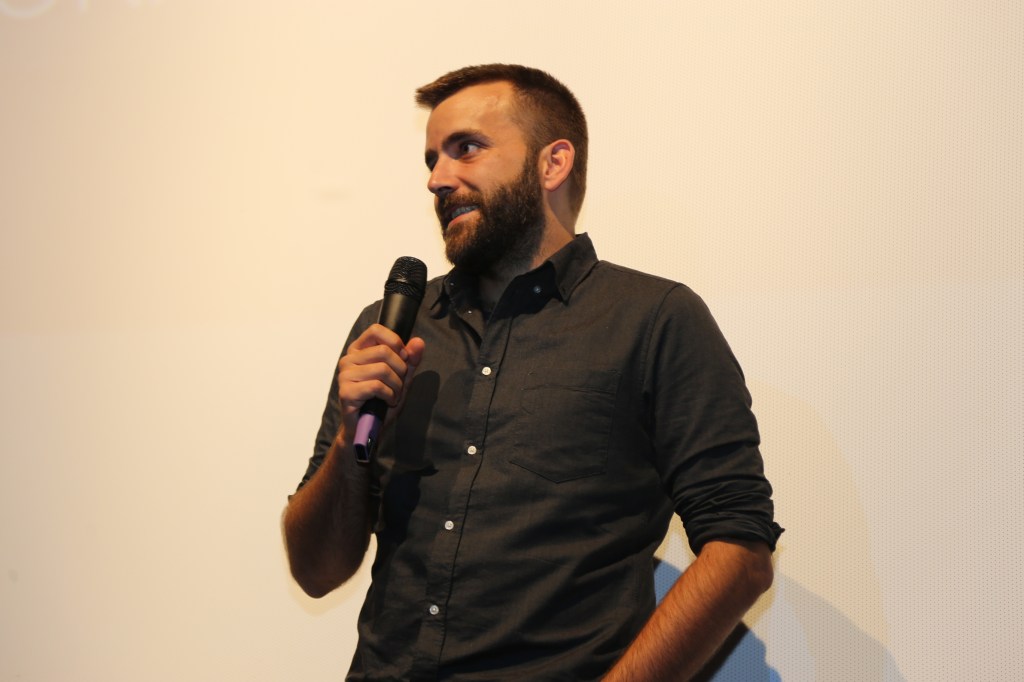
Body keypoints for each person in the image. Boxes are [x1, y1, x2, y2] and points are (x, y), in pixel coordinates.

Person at [283, 64, 783, 681]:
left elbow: (739, 551)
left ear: (553, 164)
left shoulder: (653, 320)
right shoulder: (392, 330)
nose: (438, 179)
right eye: (432, 160)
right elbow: (315, 570)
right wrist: (349, 439)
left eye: (466, 148)